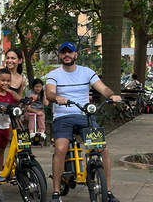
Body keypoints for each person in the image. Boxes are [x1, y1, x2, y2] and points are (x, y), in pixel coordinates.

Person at [45, 41, 122, 202]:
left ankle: (107, 192)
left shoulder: (86, 72)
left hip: (84, 116)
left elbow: (103, 88)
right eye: (63, 52)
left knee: (103, 149)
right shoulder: (54, 74)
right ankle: (56, 192)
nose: (67, 55)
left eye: (69, 52)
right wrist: (57, 97)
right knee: (60, 149)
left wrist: (111, 95)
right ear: (60, 55)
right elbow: (49, 94)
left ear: (75, 55)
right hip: (62, 117)